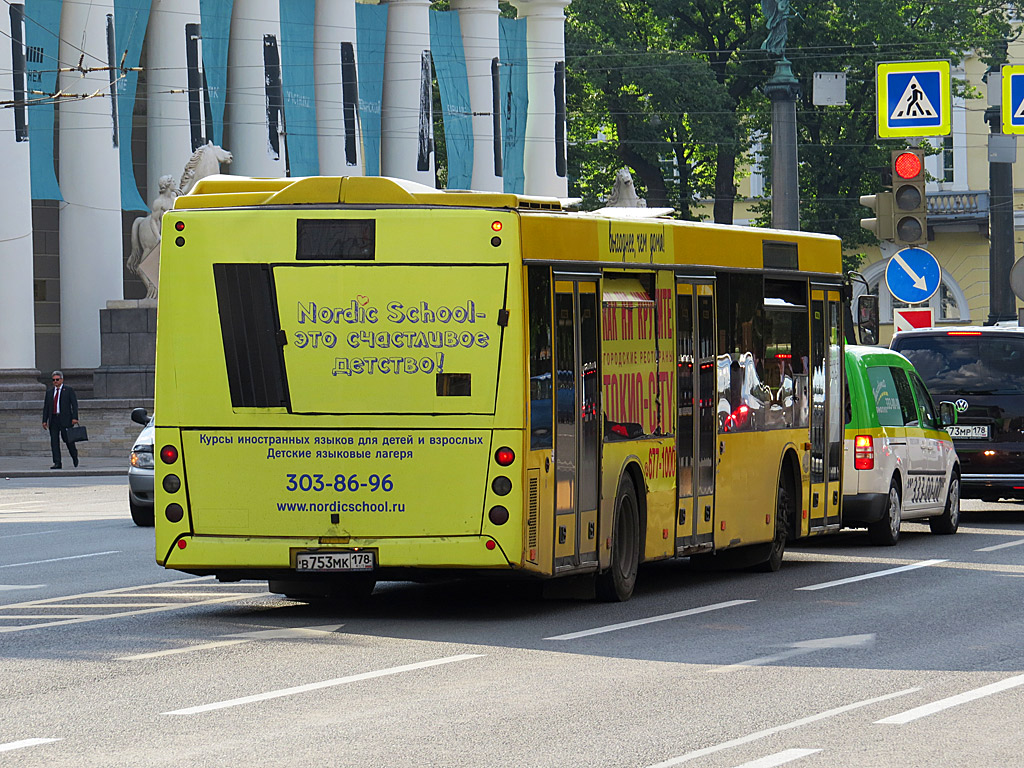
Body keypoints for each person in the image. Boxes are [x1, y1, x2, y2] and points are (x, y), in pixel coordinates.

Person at [42, 370, 79, 469]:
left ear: (62, 380)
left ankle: (74, 456)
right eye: (53, 380)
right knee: (54, 442)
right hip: (53, 419)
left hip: (65, 419)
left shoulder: (68, 390)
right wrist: (44, 420)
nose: (55, 382)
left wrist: (75, 417)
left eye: (57, 379)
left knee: (68, 440)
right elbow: (46, 407)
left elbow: (74, 405)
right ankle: (57, 462)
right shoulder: (50, 392)